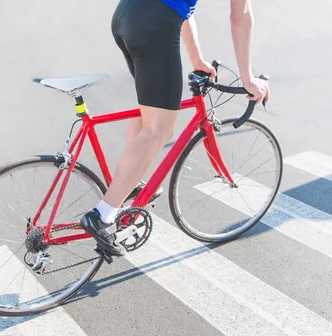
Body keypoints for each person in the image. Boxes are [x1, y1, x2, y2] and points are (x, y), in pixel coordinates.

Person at [80, 0, 270, 257]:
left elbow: (185, 8)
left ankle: (130, 183)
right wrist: (247, 79)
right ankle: (103, 215)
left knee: (149, 109)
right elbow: (241, 15)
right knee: (159, 130)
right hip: (154, 23)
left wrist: (197, 59)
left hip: (126, 16)